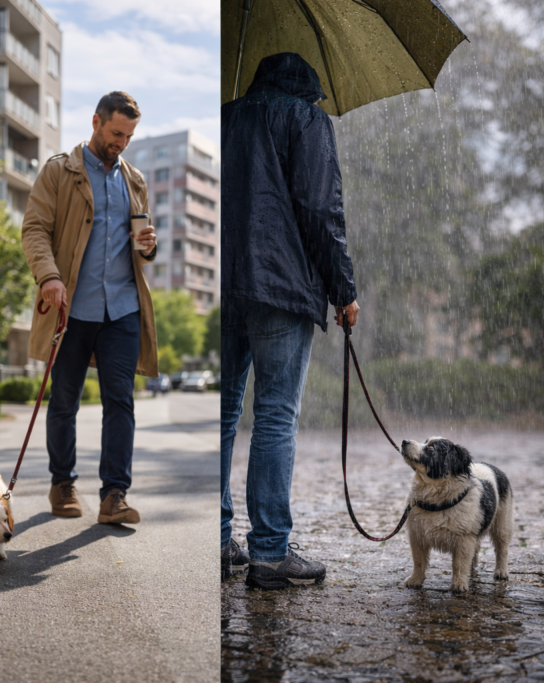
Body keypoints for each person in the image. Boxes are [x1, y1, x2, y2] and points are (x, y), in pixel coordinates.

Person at [220, 53, 360, 590]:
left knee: (225, 415)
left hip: (223, 286)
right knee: (275, 415)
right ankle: (271, 554)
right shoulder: (304, 118)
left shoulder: (228, 115)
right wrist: (343, 289)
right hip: (279, 285)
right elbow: (321, 209)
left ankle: (222, 541)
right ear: (310, 89)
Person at [22, 91, 159, 525]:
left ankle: (114, 495)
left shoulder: (134, 180)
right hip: (72, 309)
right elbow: (35, 229)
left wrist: (149, 247)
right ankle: (62, 482)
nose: (122, 142)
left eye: (129, 136)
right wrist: (49, 276)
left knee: (121, 403)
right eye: (117, 132)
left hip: (122, 310)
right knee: (64, 401)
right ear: (97, 121)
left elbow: (139, 244)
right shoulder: (59, 171)